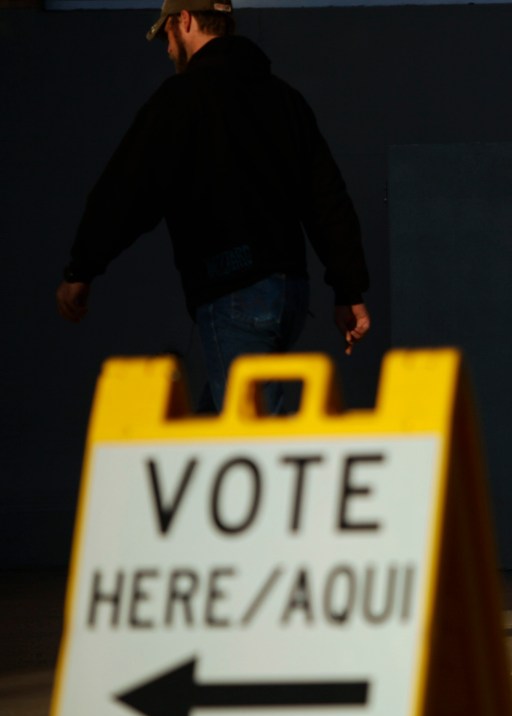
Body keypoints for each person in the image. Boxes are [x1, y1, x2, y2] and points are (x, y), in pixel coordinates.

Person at [56, 0, 370, 413]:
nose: (168, 49)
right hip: (289, 294)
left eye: (167, 34)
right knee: (210, 435)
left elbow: (128, 189)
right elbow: (326, 199)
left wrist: (83, 268)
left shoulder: (181, 99)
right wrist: (348, 290)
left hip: (235, 293)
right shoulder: (284, 99)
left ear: (183, 21)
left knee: (253, 444)